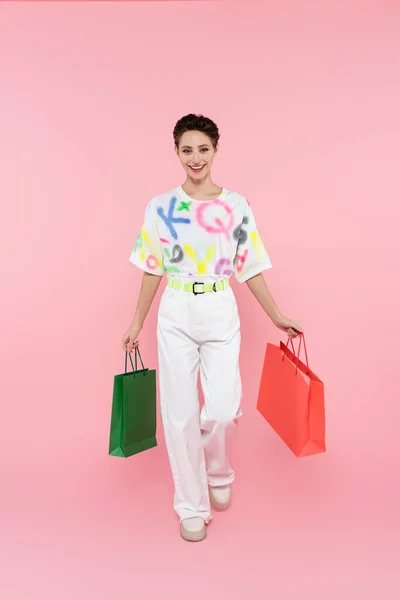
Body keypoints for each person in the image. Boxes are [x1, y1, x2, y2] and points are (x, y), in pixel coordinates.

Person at [122, 114, 303, 542]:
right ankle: (191, 504)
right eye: (187, 150)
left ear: (215, 150)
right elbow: (153, 269)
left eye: (203, 148)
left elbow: (251, 266)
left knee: (222, 410)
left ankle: (218, 471)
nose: (195, 157)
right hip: (177, 310)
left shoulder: (235, 205)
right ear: (177, 153)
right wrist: (136, 322)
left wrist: (276, 314)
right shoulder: (160, 206)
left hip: (220, 306)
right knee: (179, 415)